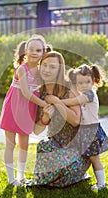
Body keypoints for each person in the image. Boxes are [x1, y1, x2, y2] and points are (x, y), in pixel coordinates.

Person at [30, 51, 92, 187]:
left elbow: (75, 120)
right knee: (43, 145)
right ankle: (50, 179)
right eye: (44, 65)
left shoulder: (70, 88)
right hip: (55, 145)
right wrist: (45, 118)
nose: (47, 70)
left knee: (66, 170)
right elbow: (36, 130)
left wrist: (56, 101)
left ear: (60, 70)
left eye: (52, 67)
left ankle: (69, 175)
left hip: (76, 150)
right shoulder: (39, 93)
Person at [0, 34, 51, 186]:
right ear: (25, 51)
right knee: (10, 144)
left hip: (28, 111)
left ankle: (21, 177)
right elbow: (26, 93)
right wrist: (43, 104)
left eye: (38, 50)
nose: (34, 53)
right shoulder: (22, 69)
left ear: (43, 52)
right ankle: (11, 179)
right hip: (13, 108)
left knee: (24, 145)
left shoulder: (42, 71)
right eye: (31, 49)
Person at [58, 64, 108, 190]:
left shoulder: (90, 94)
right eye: (81, 83)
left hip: (91, 131)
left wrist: (58, 102)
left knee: (94, 158)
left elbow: (72, 102)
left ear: (93, 81)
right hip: (85, 130)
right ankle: (82, 174)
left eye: (88, 82)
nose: (85, 85)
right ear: (76, 84)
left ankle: (102, 183)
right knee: (85, 156)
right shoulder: (84, 93)